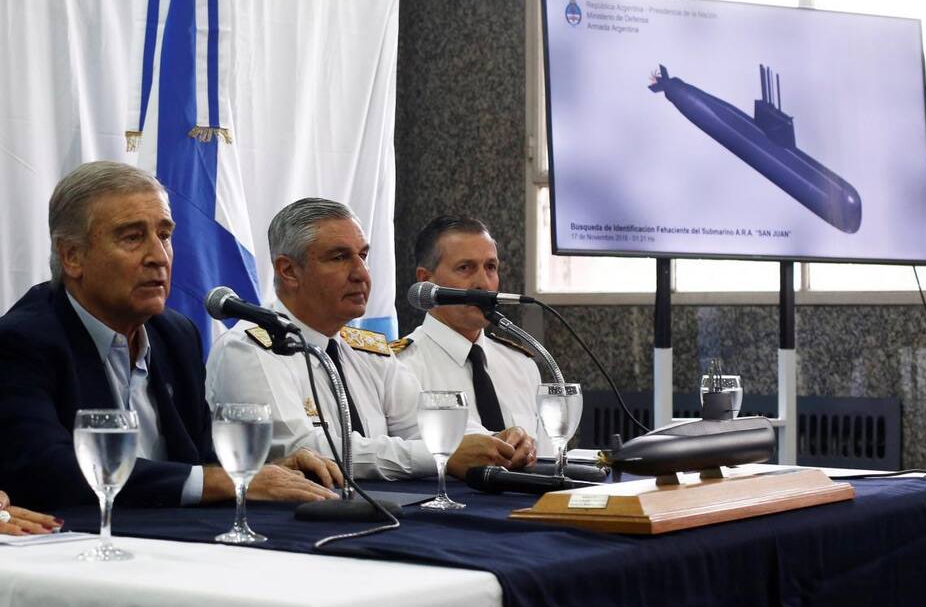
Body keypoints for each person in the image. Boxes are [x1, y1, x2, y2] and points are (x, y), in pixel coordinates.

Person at [0, 161, 341, 510]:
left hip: (175, 539)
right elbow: (46, 470)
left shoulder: (175, 334)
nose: (159, 257)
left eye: (164, 235)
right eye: (132, 237)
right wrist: (218, 481)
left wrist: (260, 471)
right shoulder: (23, 341)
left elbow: (201, 457)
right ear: (72, 256)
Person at [206, 198, 535, 480]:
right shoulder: (248, 350)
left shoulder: (365, 351)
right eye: (339, 257)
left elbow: (424, 423)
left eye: (362, 256)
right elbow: (307, 450)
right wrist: (443, 454)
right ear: (289, 271)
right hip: (295, 525)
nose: (361, 273)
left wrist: (493, 443)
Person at [396, 215, 552, 457]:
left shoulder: (522, 365)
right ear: (426, 282)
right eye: (465, 268)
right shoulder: (402, 366)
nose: (482, 283)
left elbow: (547, 459)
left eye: (491, 267)